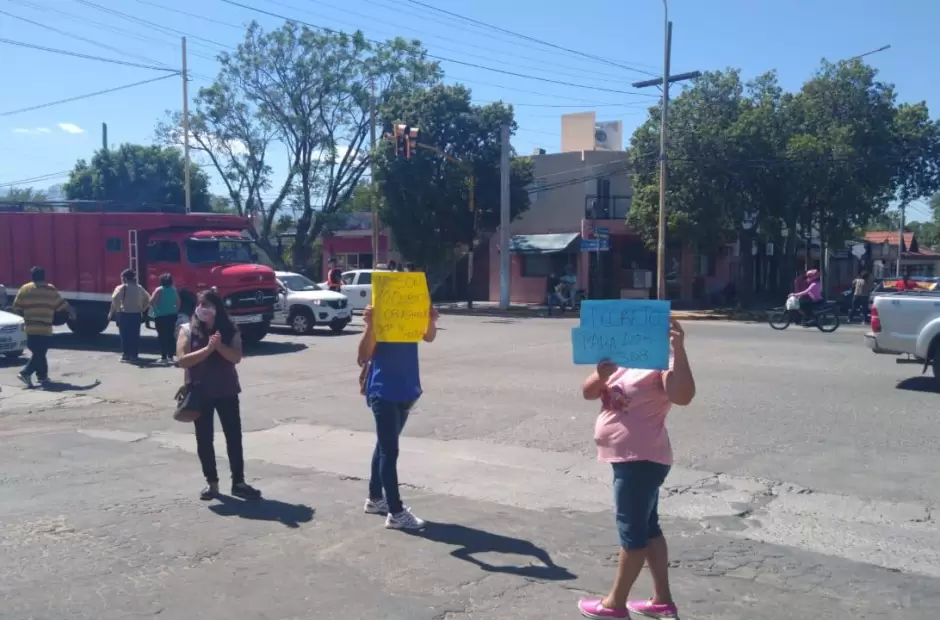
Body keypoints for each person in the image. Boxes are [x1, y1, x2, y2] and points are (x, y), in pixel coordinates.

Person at [577, 318, 696, 620]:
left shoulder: (660, 361)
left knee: (632, 535)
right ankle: (662, 601)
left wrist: (679, 348)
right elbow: (588, 393)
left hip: (641, 460)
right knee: (648, 528)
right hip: (629, 460)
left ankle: (614, 605)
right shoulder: (621, 360)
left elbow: (683, 396)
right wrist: (601, 375)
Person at [357, 295, 439, 530]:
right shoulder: (380, 318)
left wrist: (430, 319)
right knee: (389, 451)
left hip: (407, 389)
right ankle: (396, 512)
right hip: (383, 391)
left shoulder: (410, 317)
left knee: (384, 446)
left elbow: (429, 336)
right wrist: (370, 325)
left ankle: (375, 499)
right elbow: (363, 356)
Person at [176, 289, 261, 501]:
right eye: (199, 304)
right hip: (199, 393)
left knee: (234, 437)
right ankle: (211, 483)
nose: (202, 309)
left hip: (227, 391)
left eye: (207, 305)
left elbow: (236, 357)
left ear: (217, 309)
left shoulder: (230, 329)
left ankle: (238, 483)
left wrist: (219, 346)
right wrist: (208, 349)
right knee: (204, 439)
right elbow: (183, 360)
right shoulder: (187, 330)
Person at [13, 266, 74, 388]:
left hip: (30, 327)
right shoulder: (50, 289)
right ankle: (25, 372)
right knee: (40, 353)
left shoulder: (25, 289)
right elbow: (62, 304)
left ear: (32, 277)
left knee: (39, 352)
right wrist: (72, 313)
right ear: (44, 276)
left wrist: (25, 316)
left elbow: (16, 306)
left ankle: (42, 376)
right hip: (44, 327)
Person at [108, 269, 149, 363]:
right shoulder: (139, 288)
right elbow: (148, 298)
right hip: (136, 314)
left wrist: (114, 311)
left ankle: (126, 355)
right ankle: (134, 355)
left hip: (124, 314)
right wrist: (143, 308)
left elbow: (114, 298)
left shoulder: (121, 287)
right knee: (134, 335)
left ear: (125, 278)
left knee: (125, 335)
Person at [150, 273, 180, 364]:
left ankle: (164, 357)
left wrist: (156, 309)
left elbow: (152, 301)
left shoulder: (159, 290)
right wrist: (175, 310)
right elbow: (178, 302)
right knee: (171, 336)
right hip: (172, 315)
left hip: (160, 316)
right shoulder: (174, 290)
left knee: (162, 336)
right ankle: (171, 356)